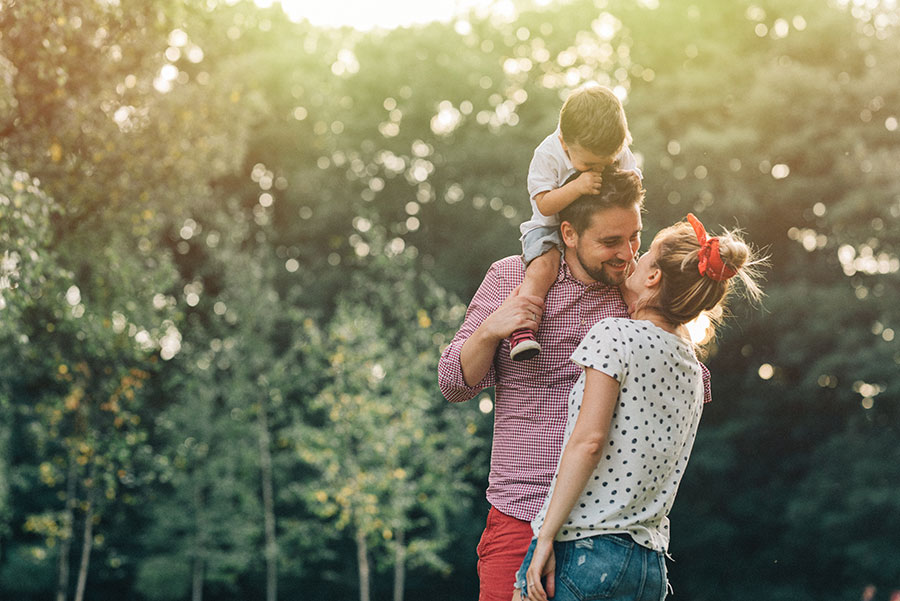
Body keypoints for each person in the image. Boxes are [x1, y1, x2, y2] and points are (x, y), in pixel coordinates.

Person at [438, 167, 709, 601]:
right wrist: (491, 330)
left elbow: (688, 388)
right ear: (569, 233)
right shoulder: (511, 277)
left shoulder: (636, 299)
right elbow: (453, 384)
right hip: (521, 515)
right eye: (610, 242)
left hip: (604, 530)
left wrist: (653, 305)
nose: (628, 255)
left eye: (635, 237)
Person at [512, 214, 765, 601]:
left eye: (644, 255)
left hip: (584, 549)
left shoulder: (616, 335)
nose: (633, 257)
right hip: (648, 567)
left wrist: (545, 534)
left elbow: (589, 442)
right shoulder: (693, 370)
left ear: (653, 278)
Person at [509, 83, 641, 361]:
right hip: (547, 227)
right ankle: (522, 328)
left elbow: (632, 181)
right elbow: (544, 205)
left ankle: (644, 319)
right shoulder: (548, 154)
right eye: (590, 164)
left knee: (630, 270)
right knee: (542, 269)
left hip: (595, 226)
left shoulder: (616, 150)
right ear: (565, 144)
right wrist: (578, 186)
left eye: (607, 163)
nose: (599, 169)